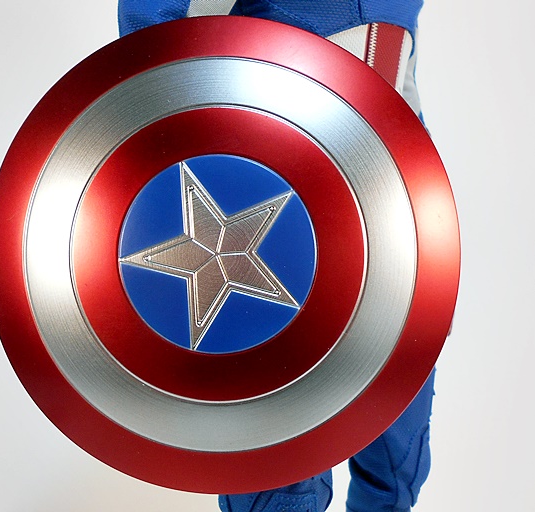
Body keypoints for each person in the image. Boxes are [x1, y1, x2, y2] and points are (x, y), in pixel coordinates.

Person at [117, 1, 435, 511]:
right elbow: (155, 38)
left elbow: (397, 66)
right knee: (279, 459)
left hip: (389, 199)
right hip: (268, 201)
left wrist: (423, 191)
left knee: (397, 440)